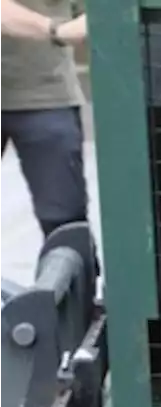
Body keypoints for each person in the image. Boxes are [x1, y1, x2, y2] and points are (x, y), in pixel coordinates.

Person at [1, 0, 91, 240]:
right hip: (46, 93)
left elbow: (95, 17)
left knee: (65, 224)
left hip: (48, 95)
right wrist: (57, 30)